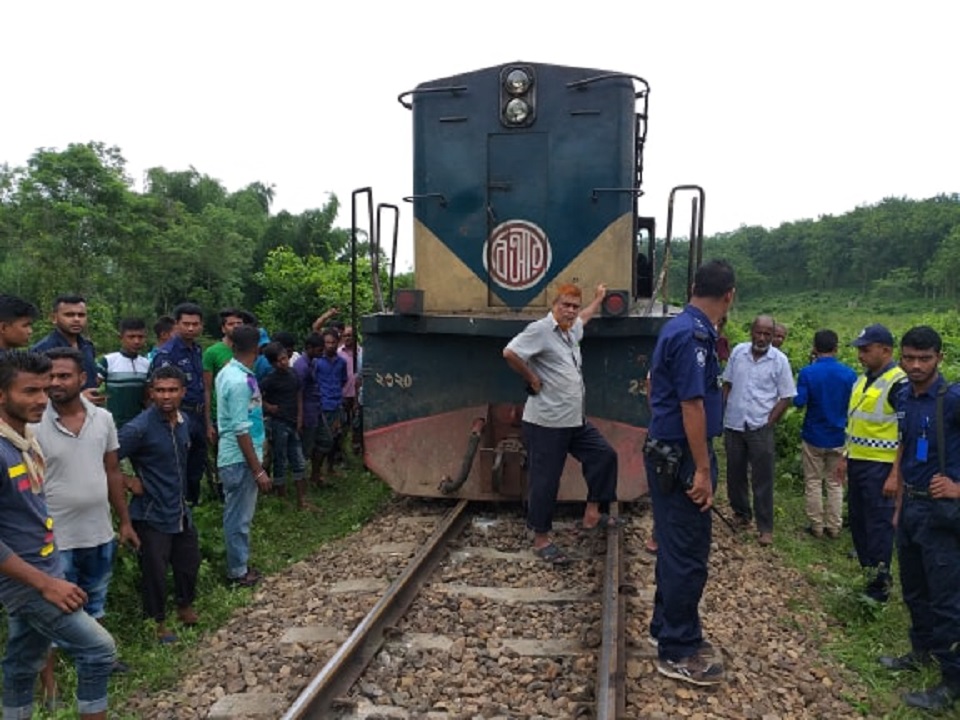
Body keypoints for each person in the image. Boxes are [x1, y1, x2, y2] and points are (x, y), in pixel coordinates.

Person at [0, 351, 116, 720]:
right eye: (29, 391)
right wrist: (46, 584)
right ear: (2, 395)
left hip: (45, 568)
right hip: (28, 580)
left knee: (23, 662)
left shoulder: (24, 441)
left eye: (44, 389)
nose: (42, 398)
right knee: (99, 649)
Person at [644, 260, 735, 686]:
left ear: (694, 286)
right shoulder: (695, 336)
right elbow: (692, 406)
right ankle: (678, 649)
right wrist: (702, 469)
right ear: (729, 296)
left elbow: (651, 384)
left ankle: (667, 628)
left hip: (669, 450)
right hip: (682, 456)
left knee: (674, 547)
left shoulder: (677, 328)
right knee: (688, 553)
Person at [32, 348, 140, 689]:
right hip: (54, 538)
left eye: (64, 376)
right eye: (49, 376)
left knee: (95, 601)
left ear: (83, 379)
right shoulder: (33, 423)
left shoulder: (103, 419)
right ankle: (48, 685)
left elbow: (112, 471)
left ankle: (100, 662)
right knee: (50, 613)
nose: (55, 383)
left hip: (98, 531)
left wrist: (124, 521)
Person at [503, 282, 621, 566]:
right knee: (545, 480)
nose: (570, 310)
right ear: (553, 305)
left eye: (574, 306)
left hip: (573, 420)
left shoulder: (570, 330)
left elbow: (585, 318)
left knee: (604, 455)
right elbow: (509, 352)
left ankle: (593, 512)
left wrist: (598, 299)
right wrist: (531, 378)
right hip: (546, 422)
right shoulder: (541, 330)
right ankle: (541, 539)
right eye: (565, 305)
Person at [878, 326, 960, 712]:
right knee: (914, 587)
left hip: (942, 515)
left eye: (924, 359)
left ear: (939, 358)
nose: (914, 366)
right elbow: (908, 445)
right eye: (908, 358)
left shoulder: (953, 400)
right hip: (911, 507)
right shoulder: (905, 397)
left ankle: (952, 681)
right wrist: (898, 498)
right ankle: (922, 651)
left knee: (946, 598)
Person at [118, 365, 202, 643]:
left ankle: (184, 606)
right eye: (160, 390)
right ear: (151, 393)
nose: (166, 396)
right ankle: (157, 623)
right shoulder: (138, 428)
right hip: (151, 512)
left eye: (172, 390)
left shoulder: (184, 422)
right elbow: (104, 459)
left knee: (188, 561)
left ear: (183, 392)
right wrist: (129, 481)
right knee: (154, 570)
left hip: (178, 508)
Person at [837, 323, 906, 601]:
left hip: (882, 468)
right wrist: (845, 456)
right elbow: (856, 423)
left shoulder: (897, 384)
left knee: (878, 528)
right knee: (859, 522)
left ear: (886, 350)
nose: (860, 355)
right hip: (858, 462)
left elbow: (906, 433)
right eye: (859, 349)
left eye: (866, 349)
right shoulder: (863, 379)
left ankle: (878, 589)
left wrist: (895, 475)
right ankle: (868, 575)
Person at [723, 315, 796, 545]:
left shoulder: (779, 360)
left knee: (762, 478)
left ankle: (765, 528)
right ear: (751, 331)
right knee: (735, 473)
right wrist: (722, 411)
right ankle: (741, 514)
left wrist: (769, 421)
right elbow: (727, 384)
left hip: (760, 426)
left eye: (767, 334)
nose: (762, 338)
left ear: (773, 335)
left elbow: (786, 397)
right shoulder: (738, 353)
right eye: (759, 333)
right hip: (734, 423)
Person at [216, 325, 272, 586]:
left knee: (239, 516)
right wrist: (258, 469)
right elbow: (240, 428)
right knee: (239, 518)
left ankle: (239, 565)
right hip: (238, 459)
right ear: (257, 349)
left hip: (240, 456)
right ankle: (237, 572)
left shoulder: (230, 373)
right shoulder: (238, 381)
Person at [793, 330, 857, 539]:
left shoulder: (808, 373)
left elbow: (799, 402)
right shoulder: (849, 374)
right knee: (835, 482)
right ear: (836, 348)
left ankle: (816, 526)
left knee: (813, 481)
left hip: (814, 435)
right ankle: (834, 527)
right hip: (839, 436)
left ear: (814, 348)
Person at [150, 303, 207, 505]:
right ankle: (177, 503)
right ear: (177, 324)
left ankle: (193, 501)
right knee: (177, 461)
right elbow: (160, 390)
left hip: (199, 414)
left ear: (201, 326)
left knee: (197, 461)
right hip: (179, 414)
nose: (190, 328)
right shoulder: (167, 353)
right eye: (186, 324)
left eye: (195, 324)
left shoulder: (198, 350)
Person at [260, 342, 310, 508]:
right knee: (279, 459)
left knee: (298, 460)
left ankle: (302, 499)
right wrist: (268, 407)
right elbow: (256, 396)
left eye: (284, 358)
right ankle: (281, 498)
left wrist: (300, 417)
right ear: (273, 363)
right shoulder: (270, 380)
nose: (283, 362)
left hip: (292, 421)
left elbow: (298, 395)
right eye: (278, 361)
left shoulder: (293, 374)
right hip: (278, 423)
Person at [31, 294, 102, 405]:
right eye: (69, 315)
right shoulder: (42, 350)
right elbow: (34, 390)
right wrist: (79, 398)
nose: (76, 319)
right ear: (54, 318)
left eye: (81, 315)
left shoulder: (87, 346)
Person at [97, 318, 150, 429]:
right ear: (120, 338)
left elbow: (147, 397)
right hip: (113, 424)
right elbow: (91, 387)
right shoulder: (108, 361)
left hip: (139, 424)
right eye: (131, 337)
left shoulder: (146, 364)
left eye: (140, 337)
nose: (136, 341)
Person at [315, 327, 348, 480]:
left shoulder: (341, 362)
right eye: (327, 342)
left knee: (336, 438)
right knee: (324, 439)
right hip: (323, 404)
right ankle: (317, 471)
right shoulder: (317, 362)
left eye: (333, 342)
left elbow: (343, 380)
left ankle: (330, 467)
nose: (330, 345)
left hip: (337, 403)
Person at [294, 333, 324, 486]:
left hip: (314, 409)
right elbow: (298, 392)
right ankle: (301, 480)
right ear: (309, 348)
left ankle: (309, 476)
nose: (321, 353)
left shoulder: (312, 363)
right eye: (319, 350)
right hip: (306, 412)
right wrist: (300, 417)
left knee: (319, 442)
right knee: (305, 447)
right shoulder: (301, 366)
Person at [338, 325, 363, 456]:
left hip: (357, 395)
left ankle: (357, 450)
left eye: (351, 335)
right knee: (342, 426)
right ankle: (340, 453)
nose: (348, 338)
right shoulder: (338, 353)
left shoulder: (361, 352)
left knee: (357, 425)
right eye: (346, 335)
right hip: (343, 394)